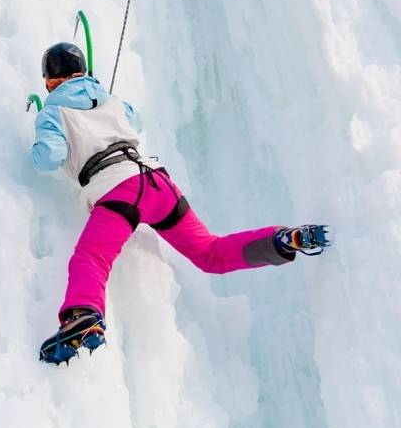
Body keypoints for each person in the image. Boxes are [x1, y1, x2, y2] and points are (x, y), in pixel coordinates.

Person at [32, 42, 330, 365]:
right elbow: (136, 119)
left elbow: (48, 158)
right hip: (157, 184)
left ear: (52, 82)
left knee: (91, 257)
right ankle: (282, 240)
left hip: (116, 190)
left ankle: (84, 314)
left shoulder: (53, 112)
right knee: (210, 252)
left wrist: (41, 135)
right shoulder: (112, 101)